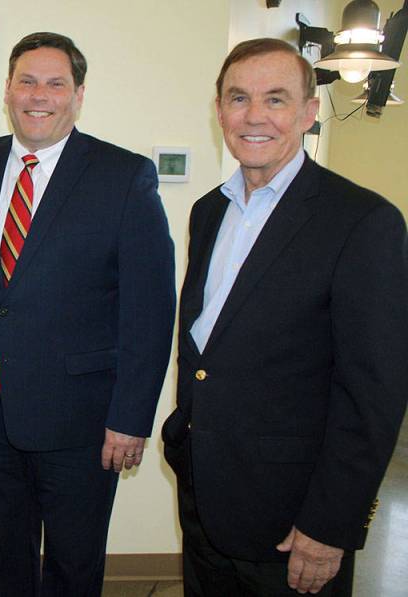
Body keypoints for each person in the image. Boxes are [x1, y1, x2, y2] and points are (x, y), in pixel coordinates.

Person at [162, 38, 408, 596]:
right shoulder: (209, 211)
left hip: (295, 520)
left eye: (275, 99)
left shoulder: (362, 221)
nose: (254, 116)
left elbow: (373, 394)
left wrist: (330, 524)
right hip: (205, 497)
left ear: (308, 112)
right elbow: (208, 346)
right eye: (238, 98)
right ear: (219, 110)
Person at [0, 32, 175, 597]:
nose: (38, 95)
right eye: (27, 81)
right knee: (2, 556)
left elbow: (150, 310)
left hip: (83, 416)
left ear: (78, 95)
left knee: (73, 563)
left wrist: (132, 417)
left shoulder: (124, 176)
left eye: (55, 84)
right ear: (8, 90)